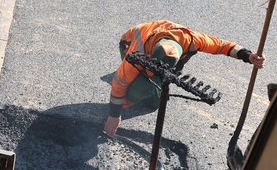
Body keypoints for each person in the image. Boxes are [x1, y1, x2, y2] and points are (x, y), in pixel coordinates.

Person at [103, 19, 265, 137]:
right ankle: (133, 94)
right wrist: (114, 115)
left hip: (160, 47)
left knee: (154, 102)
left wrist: (248, 56)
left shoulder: (192, 40)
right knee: (139, 88)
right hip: (127, 44)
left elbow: (222, 46)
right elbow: (119, 83)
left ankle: (153, 82)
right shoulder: (137, 52)